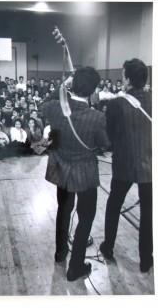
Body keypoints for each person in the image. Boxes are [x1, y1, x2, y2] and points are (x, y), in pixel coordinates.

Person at [41, 67, 109, 281]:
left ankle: (60, 253)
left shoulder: (54, 108)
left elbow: (45, 103)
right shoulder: (97, 117)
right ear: (93, 90)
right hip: (85, 172)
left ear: (72, 84)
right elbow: (105, 144)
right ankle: (76, 266)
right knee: (86, 217)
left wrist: (63, 85)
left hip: (62, 169)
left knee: (63, 210)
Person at [99, 58, 152, 273]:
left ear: (128, 79)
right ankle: (146, 259)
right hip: (150, 165)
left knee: (113, 206)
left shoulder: (115, 104)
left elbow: (109, 136)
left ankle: (108, 247)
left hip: (124, 165)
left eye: (123, 75)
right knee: (149, 213)